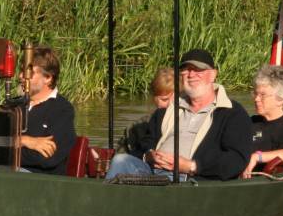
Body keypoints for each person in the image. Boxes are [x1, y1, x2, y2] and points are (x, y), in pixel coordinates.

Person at [104, 48, 253, 181]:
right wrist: (148, 155)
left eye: (198, 70)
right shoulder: (168, 109)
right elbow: (146, 142)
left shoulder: (232, 113)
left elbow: (236, 160)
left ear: (213, 74)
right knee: (120, 160)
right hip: (150, 171)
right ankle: (104, 207)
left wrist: (191, 165)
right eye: (186, 69)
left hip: (190, 179)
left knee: (171, 179)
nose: (191, 74)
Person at [19, 46, 77, 174]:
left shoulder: (62, 110)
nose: (20, 76)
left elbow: (45, 158)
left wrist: (5, 149)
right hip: (3, 172)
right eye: (21, 71)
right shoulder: (15, 106)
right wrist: (23, 141)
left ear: (48, 78)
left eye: (29, 73)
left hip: (39, 182)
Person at [241, 64, 283, 178]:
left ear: (280, 99)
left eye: (262, 95)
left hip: (268, 183)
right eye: (255, 93)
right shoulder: (251, 122)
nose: (256, 99)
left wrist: (257, 157)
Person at [122, 67, 174, 156]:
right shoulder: (134, 129)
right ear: (154, 98)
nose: (171, 104)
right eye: (164, 99)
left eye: (176, 98)